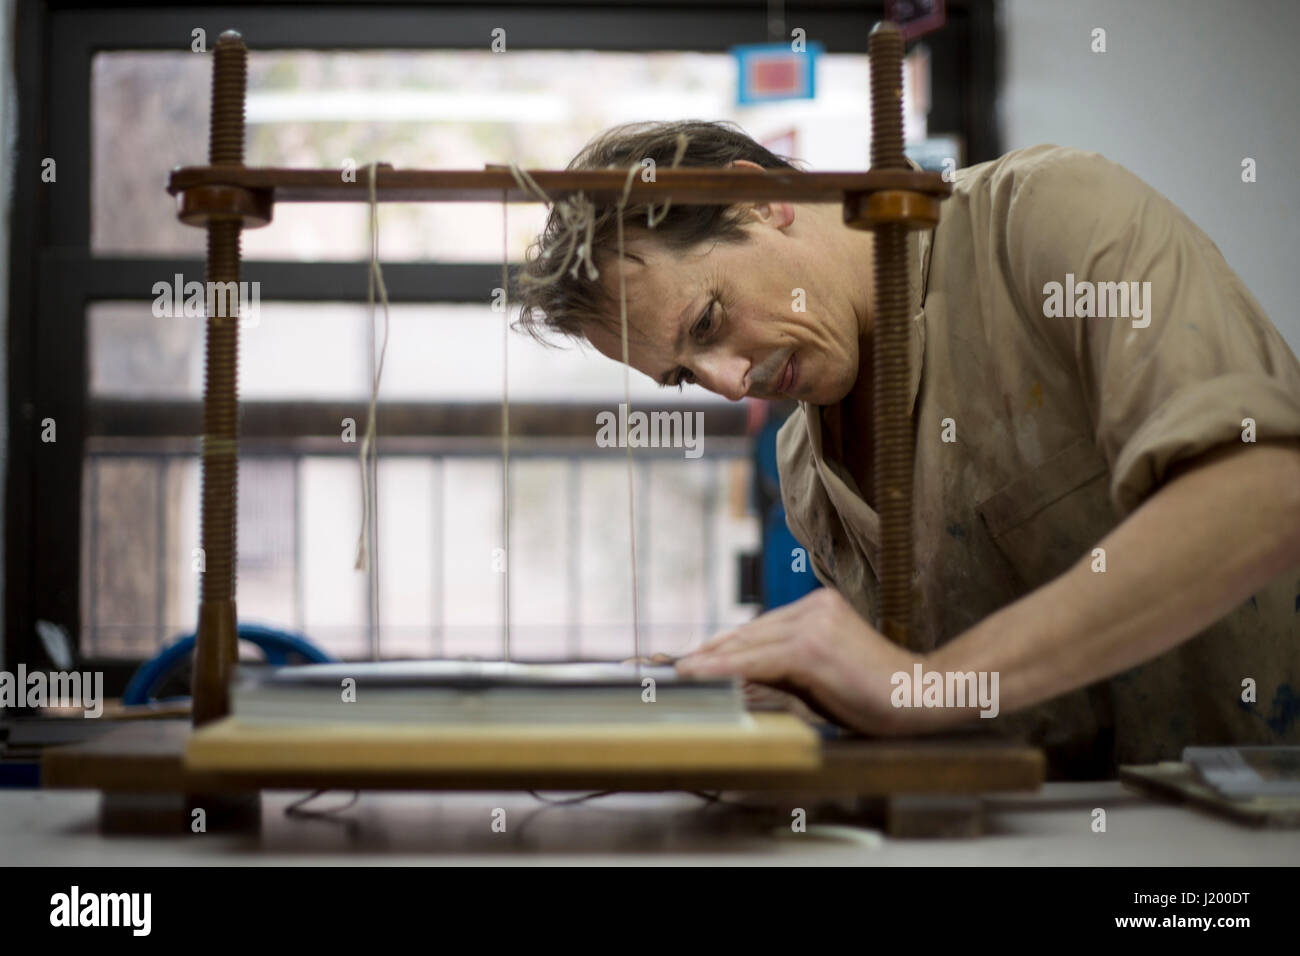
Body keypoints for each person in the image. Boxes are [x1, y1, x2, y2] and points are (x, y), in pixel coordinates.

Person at [515, 120, 1300, 778]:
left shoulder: (1044, 219)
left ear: (762, 199)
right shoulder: (805, 472)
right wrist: (817, 709)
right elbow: (985, 712)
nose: (727, 384)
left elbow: (1265, 494)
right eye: (683, 376)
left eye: (709, 323)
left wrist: (929, 688)